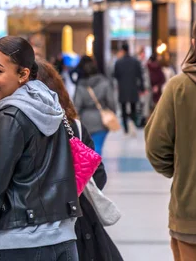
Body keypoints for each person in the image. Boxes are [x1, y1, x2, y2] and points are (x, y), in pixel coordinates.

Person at [0, 36, 79, 261]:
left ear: (23, 75)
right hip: (64, 241)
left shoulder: (11, 118)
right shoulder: (51, 108)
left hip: (18, 244)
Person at [37, 59, 123, 261]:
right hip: (94, 125)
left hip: (45, 228)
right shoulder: (74, 126)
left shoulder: (82, 86)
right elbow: (99, 174)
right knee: (92, 158)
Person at [145, 14, 196, 261]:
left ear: (194, 43)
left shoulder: (178, 88)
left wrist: (183, 171)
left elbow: (156, 147)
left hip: (191, 214)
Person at [74, 56, 117, 155]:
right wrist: (112, 112)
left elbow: (77, 105)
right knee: (98, 146)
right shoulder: (105, 83)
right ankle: (96, 167)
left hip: (85, 121)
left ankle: (90, 167)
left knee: (86, 147)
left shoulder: (80, 86)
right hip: (101, 120)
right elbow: (111, 102)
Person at [113, 43, 144, 134]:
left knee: (123, 109)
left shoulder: (118, 62)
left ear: (122, 50)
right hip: (133, 88)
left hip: (122, 88)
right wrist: (141, 88)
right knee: (133, 108)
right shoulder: (135, 61)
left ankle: (126, 128)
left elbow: (115, 75)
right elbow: (140, 76)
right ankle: (133, 125)